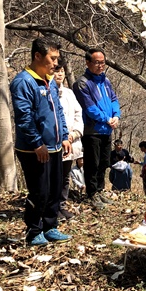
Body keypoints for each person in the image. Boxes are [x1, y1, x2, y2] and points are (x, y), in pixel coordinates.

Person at [10, 37, 72, 246]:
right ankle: (33, 230)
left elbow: (59, 112)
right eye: (52, 58)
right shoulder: (23, 82)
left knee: (55, 189)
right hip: (33, 149)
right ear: (38, 56)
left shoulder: (49, 80)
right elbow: (24, 118)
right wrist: (37, 144)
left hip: (54, 146)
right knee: (40, 191)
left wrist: (64, 136)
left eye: (57, 59)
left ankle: (50, 226)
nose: (56, 63)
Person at [72, 50, 121, 210]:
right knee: (92, 163)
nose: (100, 65)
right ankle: (91, 194)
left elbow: (113, 99)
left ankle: (100, 190)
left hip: (107, 129)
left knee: (104, 162)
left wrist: (116, 116)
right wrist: (106, 119)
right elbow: (89, 108)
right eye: (97, 62)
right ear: (88, 63)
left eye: (102, 62)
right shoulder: (82, 83)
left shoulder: (105, 81)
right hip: (92, 130)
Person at [54, 59, 84, 221]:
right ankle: (53, 207)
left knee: (65, 176)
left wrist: (74, 134)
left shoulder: (69, 93)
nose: (59, 74)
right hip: (55, 142)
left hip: (71, 142)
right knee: (55, 176)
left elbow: (78, 115)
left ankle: (61, 205)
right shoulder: (47, 92)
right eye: (56, 70)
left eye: (62, 71)